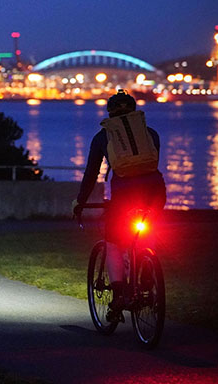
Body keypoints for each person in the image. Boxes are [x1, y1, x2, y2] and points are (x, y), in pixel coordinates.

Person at [73, 90, 166, 322]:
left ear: (109, 113)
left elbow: (91, 173)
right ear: (135, 111)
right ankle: (147, 272)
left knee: (114, 242)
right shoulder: (150, 133)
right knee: (147, 228)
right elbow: (152, 165)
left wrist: (81, 202)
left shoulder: (103, 137)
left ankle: (119, 294)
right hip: (155, 191)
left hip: (124, 195)